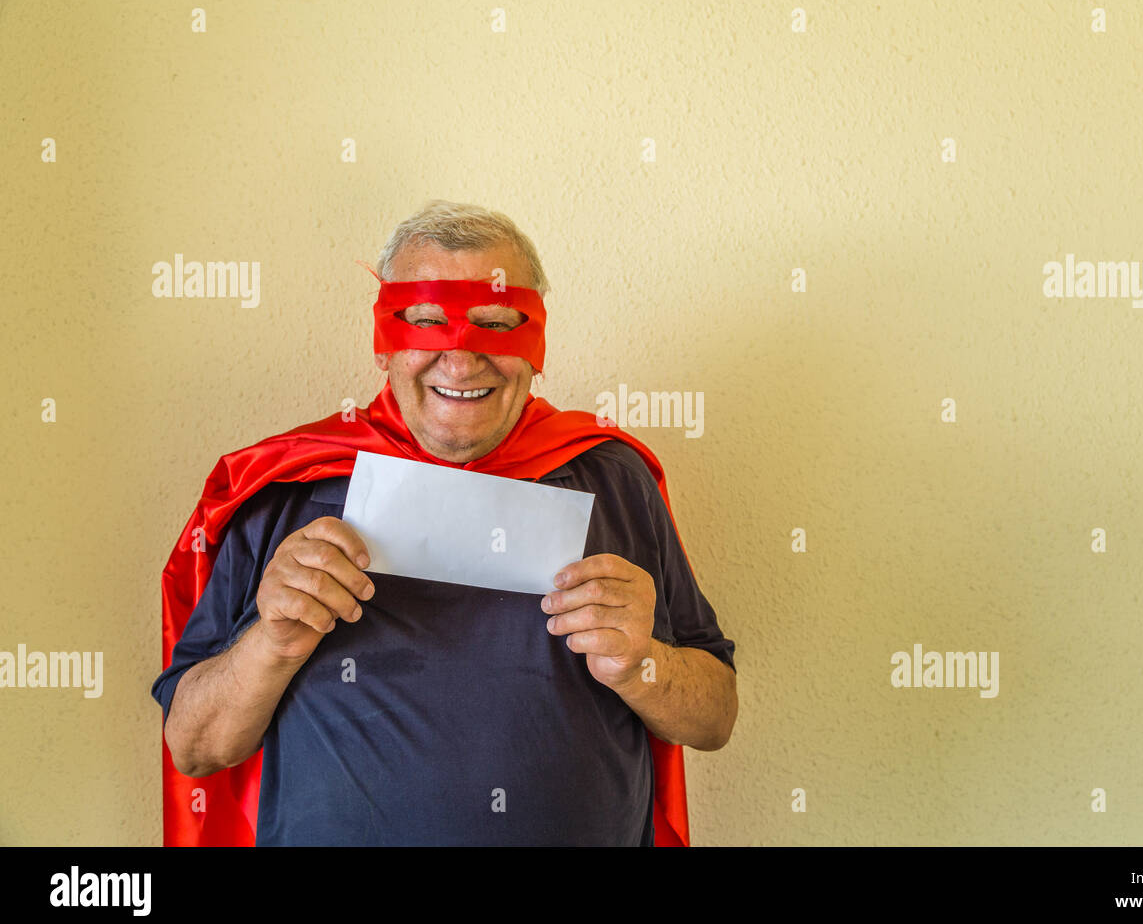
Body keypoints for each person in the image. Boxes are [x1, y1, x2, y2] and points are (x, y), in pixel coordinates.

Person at [152, 199, 738, 846]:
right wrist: (273, 642)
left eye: (494, 324)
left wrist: (641, 664)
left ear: (537, 343)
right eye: (427, 321)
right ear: (384, 343)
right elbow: (194, 749)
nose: (459, 361)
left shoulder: (613, 479)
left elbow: (714, 718)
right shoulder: (286, 485)